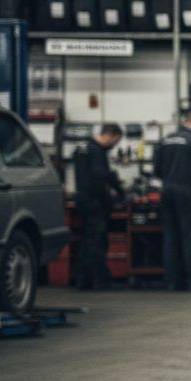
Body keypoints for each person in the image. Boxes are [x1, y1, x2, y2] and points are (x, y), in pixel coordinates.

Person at [154, 111, 191, 290]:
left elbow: (156, 169)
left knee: (171, 236)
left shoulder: (164, 140)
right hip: (190, 194)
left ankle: (173, 281)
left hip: (167, 193)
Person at [72, 123, 122, 290]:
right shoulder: (97, 151)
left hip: (82, 199)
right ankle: (100, 281)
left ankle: (83, 280)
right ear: (110, 136)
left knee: (87, 240)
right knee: (97, 242)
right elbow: (99, 177)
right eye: (115, 141)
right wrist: (112, 198)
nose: (114, 146)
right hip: (95, 202)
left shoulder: (82, 147)